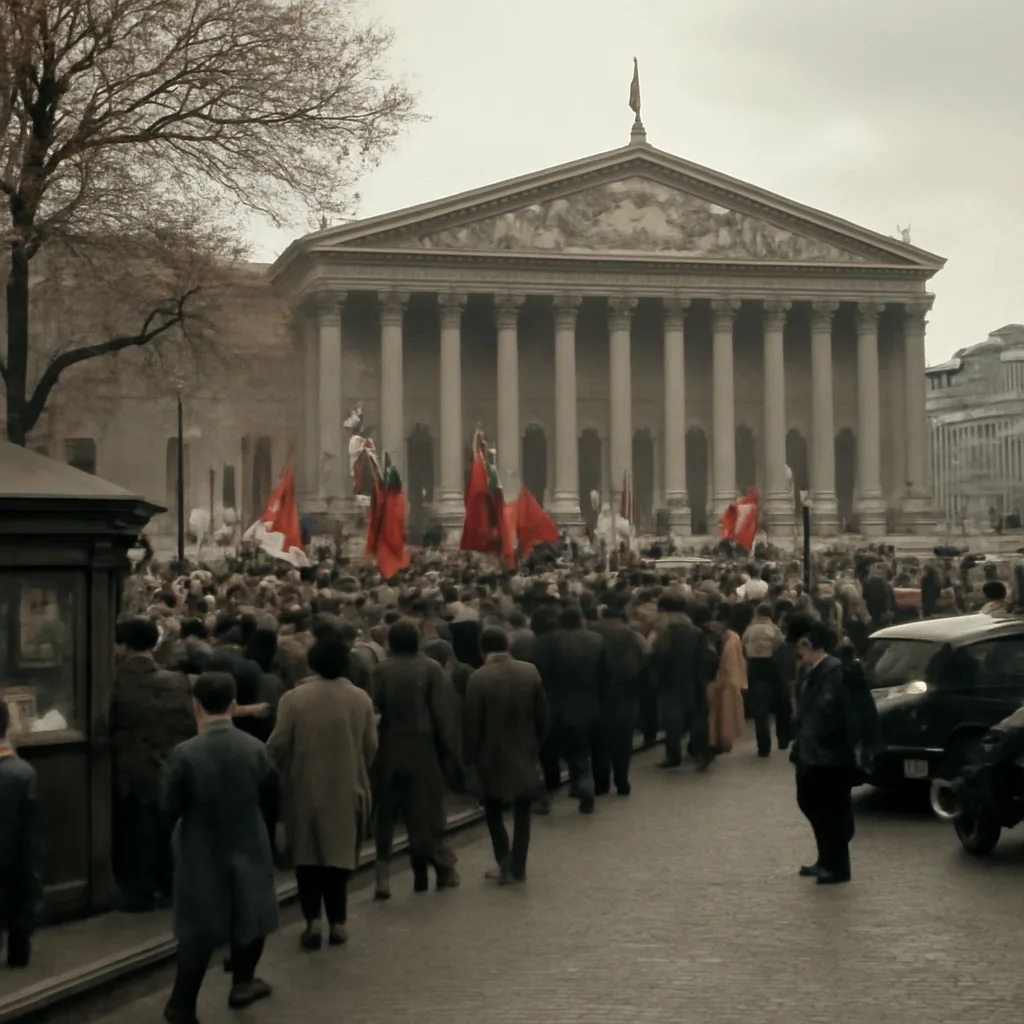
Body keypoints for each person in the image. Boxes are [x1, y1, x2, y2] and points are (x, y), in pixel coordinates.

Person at [162, 672, 280, 1024]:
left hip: (200, 843)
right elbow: (271, 795)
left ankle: (182, 1003)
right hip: (248, 837)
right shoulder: (256, 748)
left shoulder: (184, 753)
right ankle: (243, 983)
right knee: (251, 912)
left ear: (195, 704)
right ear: (232, 704)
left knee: (198, 926)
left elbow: (169, 804)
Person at [267, 626, 377, 950]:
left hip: (303, 788)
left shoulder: (293, 698)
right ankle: (339, 922)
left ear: (312, 664)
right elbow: (371, 746)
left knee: (308, 858)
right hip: (348, 787)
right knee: (338, 858)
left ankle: (313, 920)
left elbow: (277, 745)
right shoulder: (360, 698)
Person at [110, 616, 196, 911]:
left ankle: (139, 892)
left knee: (136, 832)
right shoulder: (177, 681)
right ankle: (169, 884)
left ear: (122, 645)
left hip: (131, 768)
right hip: (170, 762)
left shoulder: (115, 681)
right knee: (166, 829)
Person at [371, 618, 461, 896]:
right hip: (422, 750)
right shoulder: (431, 669)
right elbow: (442, 716)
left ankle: (382, 877)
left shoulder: (380, 671)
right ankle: (438, 867)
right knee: (426, 813)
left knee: (385, 816)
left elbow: (372, 711)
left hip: (387, 751)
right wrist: (453, 756)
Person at [463, 626, 548, 884]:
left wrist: (470, 760)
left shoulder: (478, 679)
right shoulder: (529, 671)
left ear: (482, 649)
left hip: (491, 755)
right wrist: (536, 744)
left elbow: (471, 725)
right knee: (523, 812)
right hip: (524, 750)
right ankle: (518, 865)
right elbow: (542, 715)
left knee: (493, 811)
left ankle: (504, 861)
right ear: (507, 645)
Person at [790, 621, 858, 886]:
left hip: (828, 754)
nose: (798, 653)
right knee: (812, 803)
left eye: (801, 647)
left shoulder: (832, 671)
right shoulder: (816, 670)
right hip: (817, 752)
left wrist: (809, 738)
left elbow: (825, 711)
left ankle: (838, 866)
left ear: (810, 646)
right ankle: (825, 859)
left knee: (830, 809)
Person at [531, 604, 607, 814]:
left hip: (555, 706)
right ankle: (583, 786)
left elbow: (541, 675)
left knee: (549, 754)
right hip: (588, 704)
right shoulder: (596, 640)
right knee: (579, 752)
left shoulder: (548, 642)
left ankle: (549, 796)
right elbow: (604, 676)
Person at [589, 598, 648, 795]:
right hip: (624, 694)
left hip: (597, 695)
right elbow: (643, 658)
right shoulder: (629, 634)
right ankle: (622, 782)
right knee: (622, 742)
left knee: (599, 743)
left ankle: (601, 783)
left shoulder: (591, 631)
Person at [0, 700, 40, 968]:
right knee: (22, 885)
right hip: (15, 859)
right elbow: (30, 839)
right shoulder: (23, 773)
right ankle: (19, 951)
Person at [742, 604, 789, 757]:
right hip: (771, 670)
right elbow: (781, 648)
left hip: (754, 670)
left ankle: (763, 746)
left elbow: (743, 647)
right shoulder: (775, 630)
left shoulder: (749, 630)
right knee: (779, 707)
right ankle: (783, 738)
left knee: (760, 710)